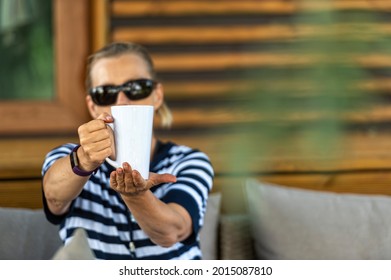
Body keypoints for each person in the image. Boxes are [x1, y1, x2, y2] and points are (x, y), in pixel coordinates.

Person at [41, 42, 214, 260]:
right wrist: (84, 159)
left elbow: (173, 232)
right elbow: (54, 198)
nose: (122, 101)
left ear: (157, 95)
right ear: (93, 105)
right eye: (106, 93)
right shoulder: (67, 158)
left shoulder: (188, 161)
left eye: (136, 88)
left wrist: (137, 196)